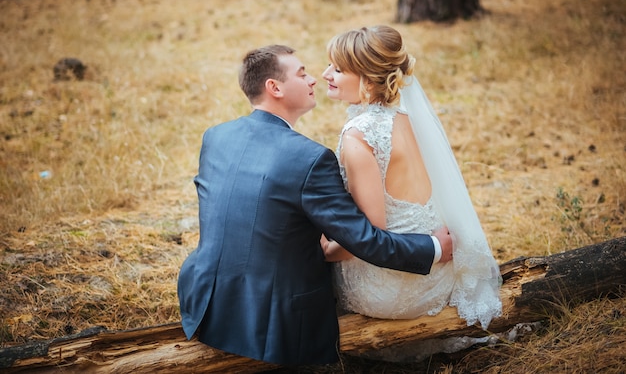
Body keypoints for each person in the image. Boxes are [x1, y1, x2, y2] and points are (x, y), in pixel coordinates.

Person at [177, 44, 454, 367]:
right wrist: (434, 248)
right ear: (275, 87)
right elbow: (365, 239)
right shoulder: (309, 159)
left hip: (205, 296)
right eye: (302, 73)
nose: (314, 80)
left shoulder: (217, 136)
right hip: (273, 317)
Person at [320, 26, 502, 343]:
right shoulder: (406, 115)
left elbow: (369, 233)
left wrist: (324, 253)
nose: (325, 74)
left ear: (366, 78)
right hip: (438, 277)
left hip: (392, 288)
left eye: (337, 69)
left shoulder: (359, 134)